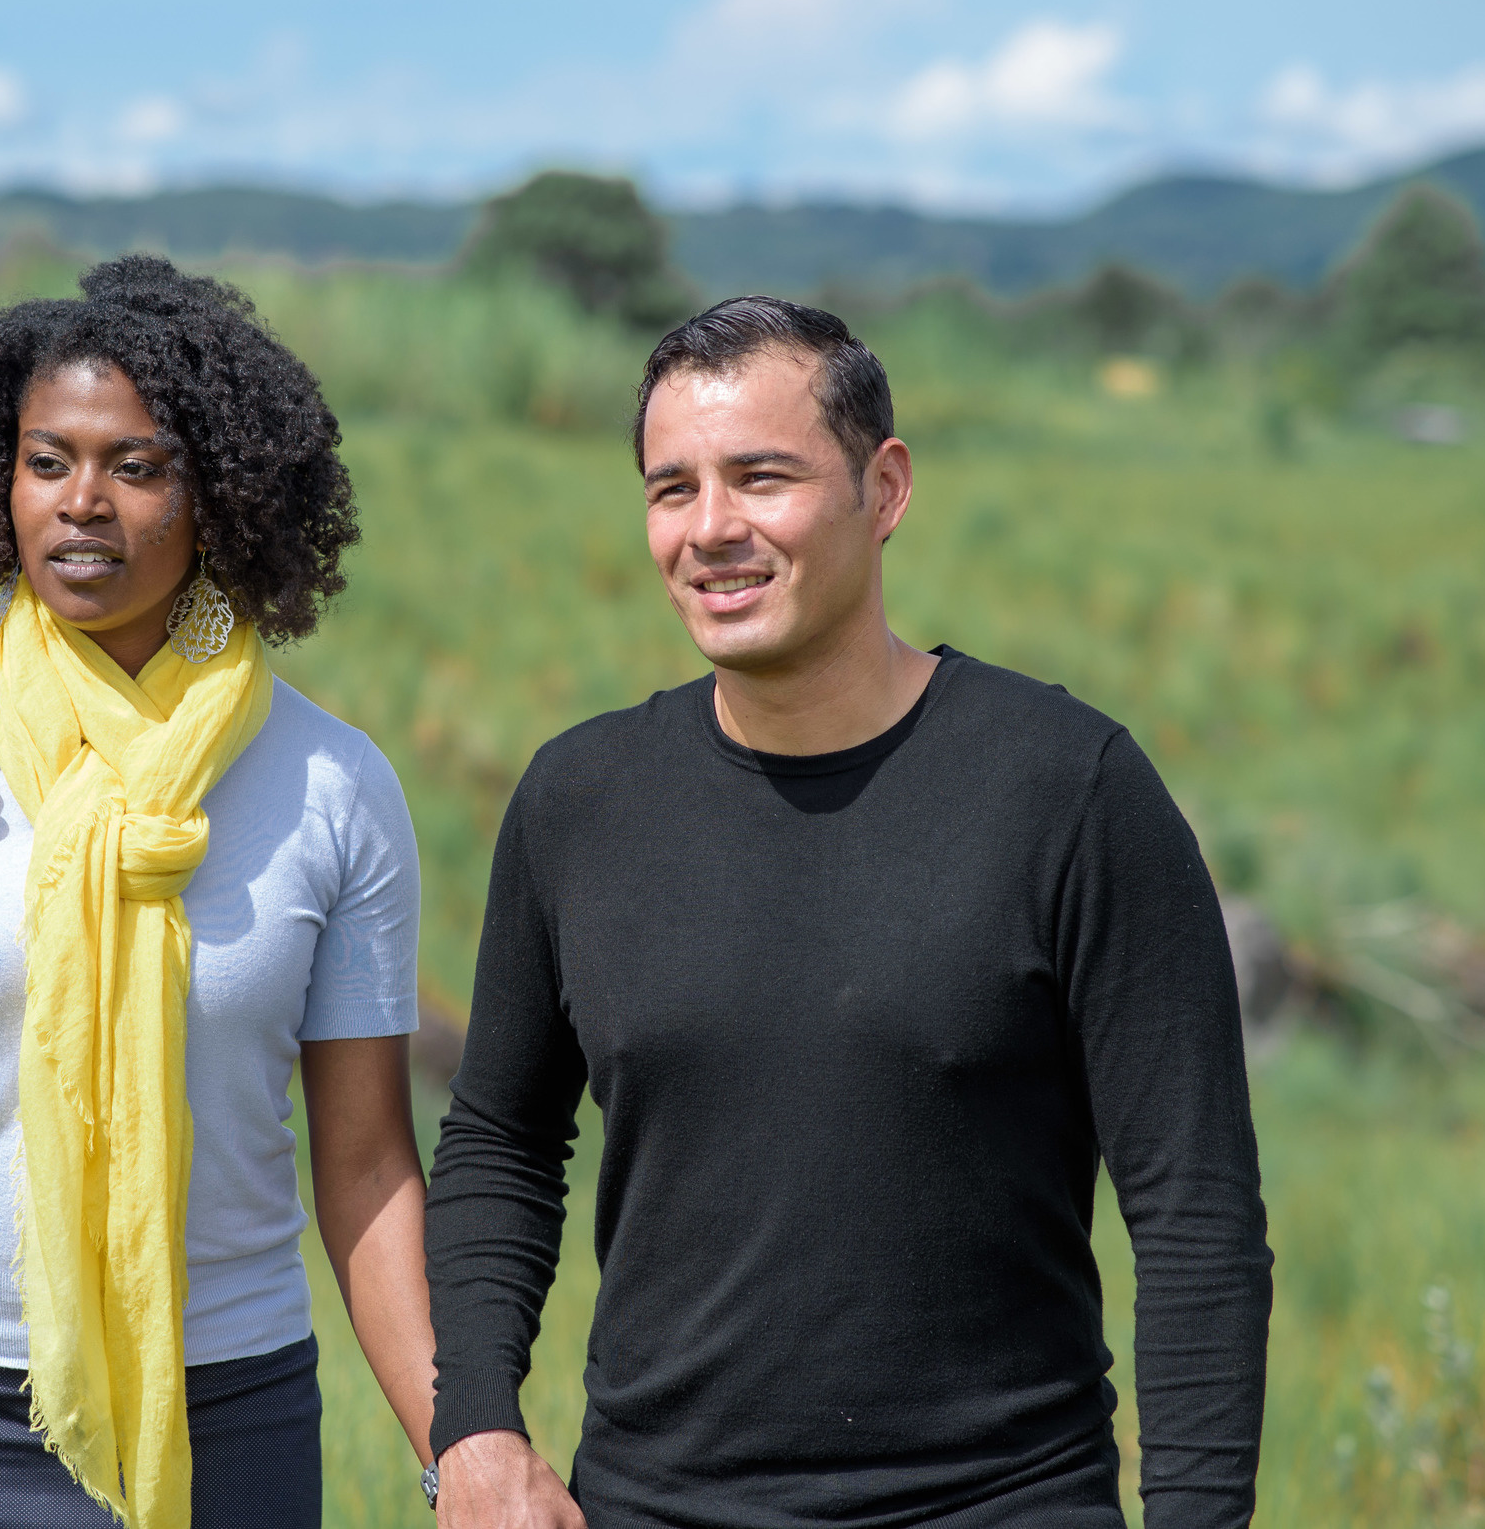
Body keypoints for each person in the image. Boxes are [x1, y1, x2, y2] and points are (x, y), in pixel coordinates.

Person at [423, 297, 1272, 1529]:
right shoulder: (579, 799)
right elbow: (501, 1139)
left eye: (761, 477)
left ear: (885, 488)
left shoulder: (1065, 788)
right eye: (672, 488)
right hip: (654, 1505)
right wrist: (478, 1428)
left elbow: (1193, 1209)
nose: (711, 529)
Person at [0, 257, 436, 1529]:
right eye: (48, 461)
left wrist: (461, 1443)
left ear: (222, 496)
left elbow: (367, 1164)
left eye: (138, 466)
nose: (83, 503)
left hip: (231, 1414)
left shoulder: (331, 783)